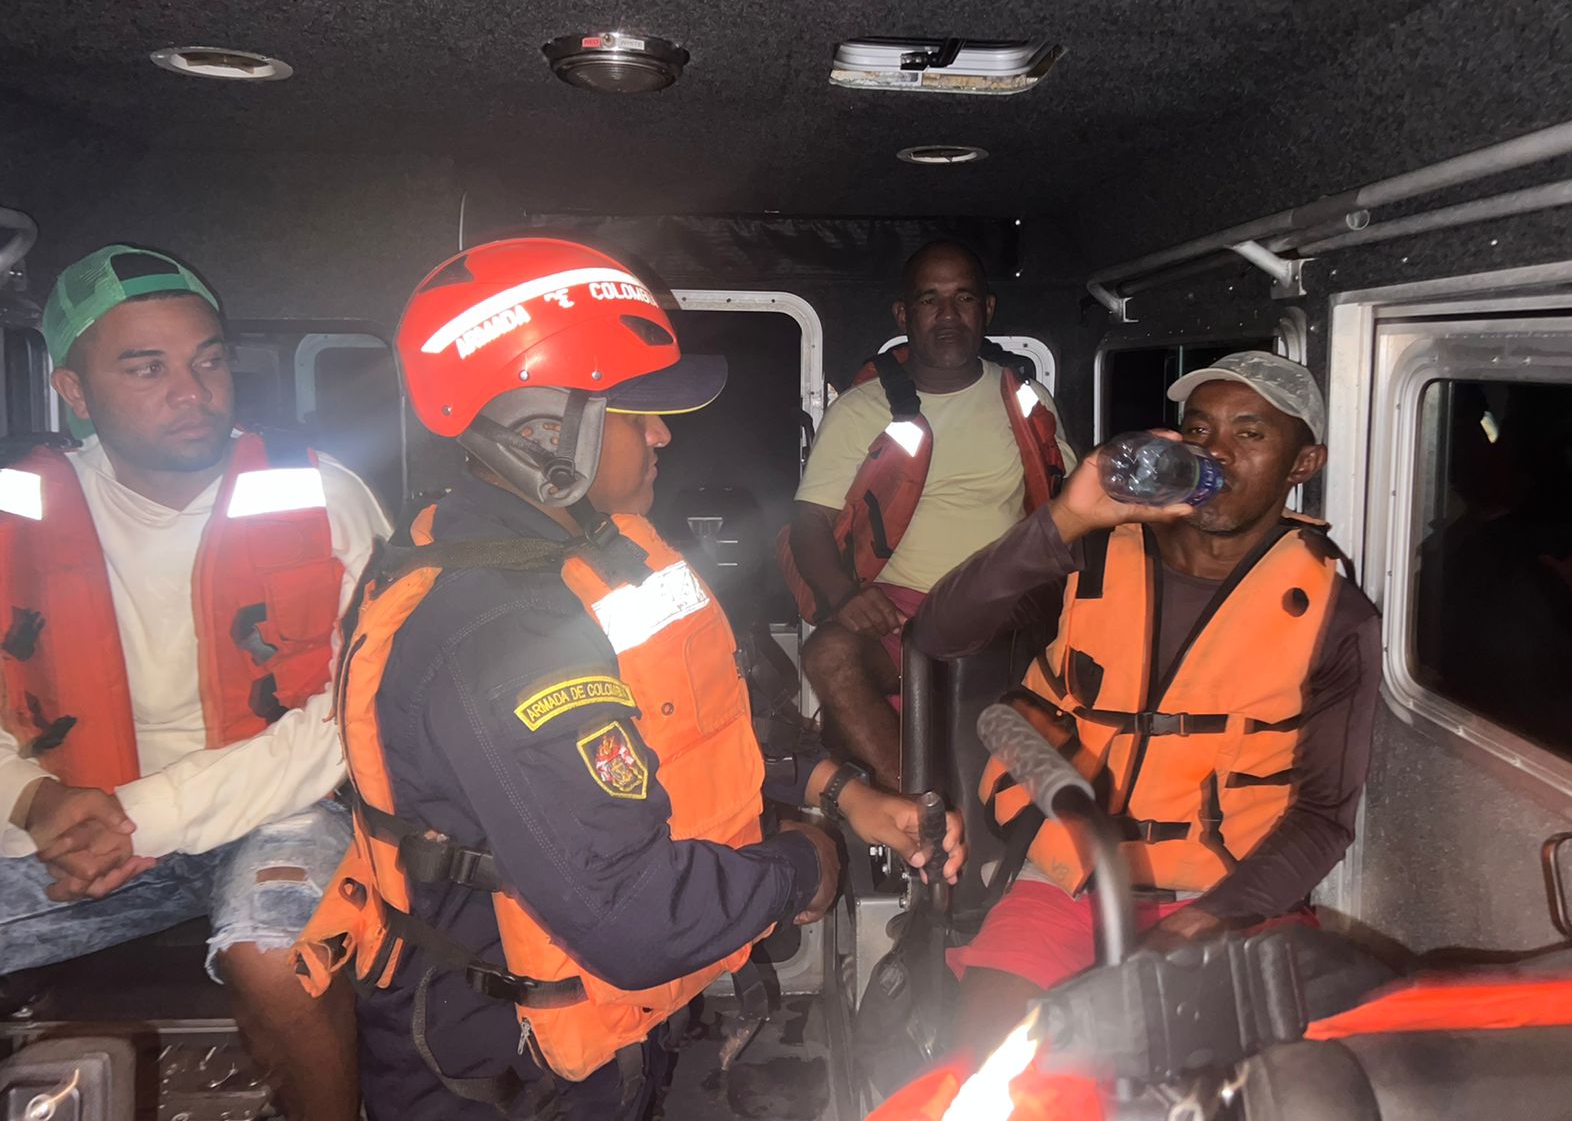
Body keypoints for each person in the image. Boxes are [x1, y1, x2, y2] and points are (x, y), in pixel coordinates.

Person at [292, 238, 967, 1121]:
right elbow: (638, 919)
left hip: (589, 1043)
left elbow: (686, 730)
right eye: (637, 412)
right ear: (542, 434)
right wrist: (807, 865)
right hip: (503, 1078)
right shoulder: (504, 633)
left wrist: (839, 791)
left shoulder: (581, 556)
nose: (663, 434)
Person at [0, 245, 391, 1118]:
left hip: (280, 803)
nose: (193, 390)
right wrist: (30, 801)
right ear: (73, 392)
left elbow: (347, 715)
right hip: (78, 813)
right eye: (147, 367)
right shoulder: (9, 511)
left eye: (208, 360)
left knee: (277, 956)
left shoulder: (323, 496)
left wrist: (147, 814)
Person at [911, 351, 1379, 1052]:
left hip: (1233, 902)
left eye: (1250, 433)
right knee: (995, 1069)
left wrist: (1203, 921)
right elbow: (939, 633)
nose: (1215, 451)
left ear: (1302, 464)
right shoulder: (1097, 554)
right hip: (1065, 882)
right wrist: (1067, 516)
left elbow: (1321, 819)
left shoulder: (1336, 618)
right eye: (1199, 429)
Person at [786, 240, 1076, 788]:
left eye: (963, 298)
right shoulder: (860, 409)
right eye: (929, 300)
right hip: (901, 611)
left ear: (986, 310)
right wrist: (846, 597)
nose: (947, 315)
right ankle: (921, 816)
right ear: (904, 314)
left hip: (1006, 606)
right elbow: (809, 523)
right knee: (827, 653)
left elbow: (1072, 504)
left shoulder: (1026, 399)